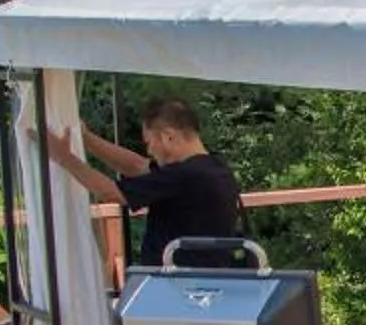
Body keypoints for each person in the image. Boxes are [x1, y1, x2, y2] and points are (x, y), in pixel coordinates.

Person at [45, 95, 244, 266]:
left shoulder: (183, 176)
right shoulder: (213, 167)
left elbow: (110, 193)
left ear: (168, 137)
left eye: (149, 142)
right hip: (201, 284)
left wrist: (64, 157)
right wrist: (86, 139)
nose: (149, 150)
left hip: (177, 289)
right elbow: (137, 166)